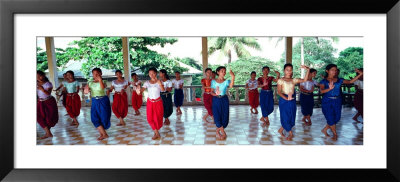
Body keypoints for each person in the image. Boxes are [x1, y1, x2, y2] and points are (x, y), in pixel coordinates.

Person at [319, 64, 363, 141]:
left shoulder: (339, 80)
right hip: (327, 101)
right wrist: (329, 89)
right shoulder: (323, 81)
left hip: (337, 101)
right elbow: (321, 91)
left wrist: (360, 74)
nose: (334, 71)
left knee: (337, 118)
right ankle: (335, 134)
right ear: (327, 71)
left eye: (335, 70)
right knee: (330, 117)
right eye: (332, 70)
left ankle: (324, 129)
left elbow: (350, 82)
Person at [277, 64, 310, 141]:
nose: (289, 71)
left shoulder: (294, 80)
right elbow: (279, 92)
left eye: (290, 70)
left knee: (291, 116)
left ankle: (281, 130)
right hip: (284, 100)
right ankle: (290, 133)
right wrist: (286, 98)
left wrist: (308, 70)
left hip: (291, 99)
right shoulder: (281, 80)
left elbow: (305, 80)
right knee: (285, 116)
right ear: (284, 70)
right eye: (287, 70)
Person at [137, 67, 165, 140]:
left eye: (153, 73)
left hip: (158, 102)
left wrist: (160, 84)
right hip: (150, 102)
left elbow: (163, 90)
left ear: (156, 73)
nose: (151, 75)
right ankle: (157, 133)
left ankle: (155, 132)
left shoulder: (159, 81)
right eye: (150, 74)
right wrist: (139, 90)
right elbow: (141, 90)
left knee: (158, 118)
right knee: (149, 118)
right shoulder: (147, 83)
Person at [84, 68, 112, 140]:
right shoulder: (90, 82)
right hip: (94, 101)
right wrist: (86, 89)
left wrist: (100, 80)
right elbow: (86, 92)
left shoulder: (104, 81)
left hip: (103, 100)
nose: (95, 75)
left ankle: (103, 134)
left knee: (104, 117)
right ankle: (104, 134)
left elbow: (102, 88)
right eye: (93, 73)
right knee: (94, 118)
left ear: (101, 73)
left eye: (97, 73)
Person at [211, 66, 235, 140]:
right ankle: (223, 132)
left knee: (225, 116)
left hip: (224, 99)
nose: (224, 72)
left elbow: (231, 86)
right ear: (218, 72)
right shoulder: (213, 81)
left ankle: (218, 130)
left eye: (224, 71)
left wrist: (233, 76)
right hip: (216, 99)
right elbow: (211, 92)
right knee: (217, 115)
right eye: (222, 71)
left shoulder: (226, 81)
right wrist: (216, 94)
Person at [37, 70, 59, 139]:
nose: (38, 78)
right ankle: (48, 133)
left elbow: (48, 93)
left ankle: (48, 133)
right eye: (36, 76)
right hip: (40, 102)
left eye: (39, 76)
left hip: (49, 101)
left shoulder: (48, 84)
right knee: (38, 117)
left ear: (43, 75)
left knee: (49, 118)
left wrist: (42, 89)